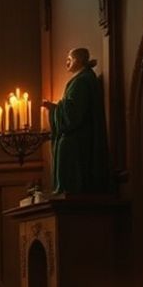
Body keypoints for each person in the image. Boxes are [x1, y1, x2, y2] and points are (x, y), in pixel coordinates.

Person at [42, 47, 112, 194]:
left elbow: (74, 113)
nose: (67, 62)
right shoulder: (80, 79)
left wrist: (55, 107)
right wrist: (57, 107)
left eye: (70, 59)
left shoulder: (82, 81)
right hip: (77, 134)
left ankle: (70, 189)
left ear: (79, 60)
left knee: (64, 146)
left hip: (78, 138)